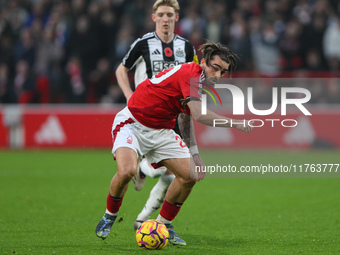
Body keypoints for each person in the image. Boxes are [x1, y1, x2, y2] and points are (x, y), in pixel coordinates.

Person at [95, 40, 254, 245]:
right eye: (215, 68)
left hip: (161, 130)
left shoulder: (201, 82)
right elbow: (199, 114)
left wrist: (195, 154)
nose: (218, 75)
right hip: (133, 123)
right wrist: (235, 123)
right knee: (127, 171)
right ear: (204, 62)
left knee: (190, 176)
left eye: (223, 72)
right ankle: (109, 215)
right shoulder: (193, 74)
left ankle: (164, 224)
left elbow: (186, 118)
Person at [114, 0, 200, 237]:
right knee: (156, 170)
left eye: (169, 15)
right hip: (144, 114)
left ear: (176, 17)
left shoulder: (187, 48)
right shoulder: (143, 43)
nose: (165, 19)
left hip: (174, 114)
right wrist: (129, 95)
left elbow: (192, 79)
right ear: (154, 18)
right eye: (161, 14)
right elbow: (121, 70)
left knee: (177, 174)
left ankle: (145, 217)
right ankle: (143, 171)